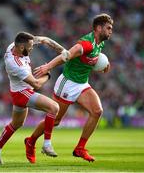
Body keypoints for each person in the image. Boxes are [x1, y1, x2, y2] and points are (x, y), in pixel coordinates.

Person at [32, 13, 113, 162]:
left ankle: (80, 149)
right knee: (55, 121)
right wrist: (48, 67)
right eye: (108, 28)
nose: (110, 31)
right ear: (98, 28)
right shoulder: (86, 44)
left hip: (82, 84)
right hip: (67, 83)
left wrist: (103, 66)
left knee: (97, 111)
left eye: (111, 28)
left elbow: (91, 59)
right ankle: (30, 141)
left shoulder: (100, 43)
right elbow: (67, 55)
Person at [0, 31, 70, 164]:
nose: (32, 48)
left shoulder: (17, 45)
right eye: (30, 47)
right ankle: (47, 144)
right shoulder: (14, 64)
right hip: (22, 93)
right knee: (54, 107)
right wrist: (47, 75)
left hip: (18, 91)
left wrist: (64, 51)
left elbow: (45, 40)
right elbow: (36, 84)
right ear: (20, 48)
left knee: (16, 124)